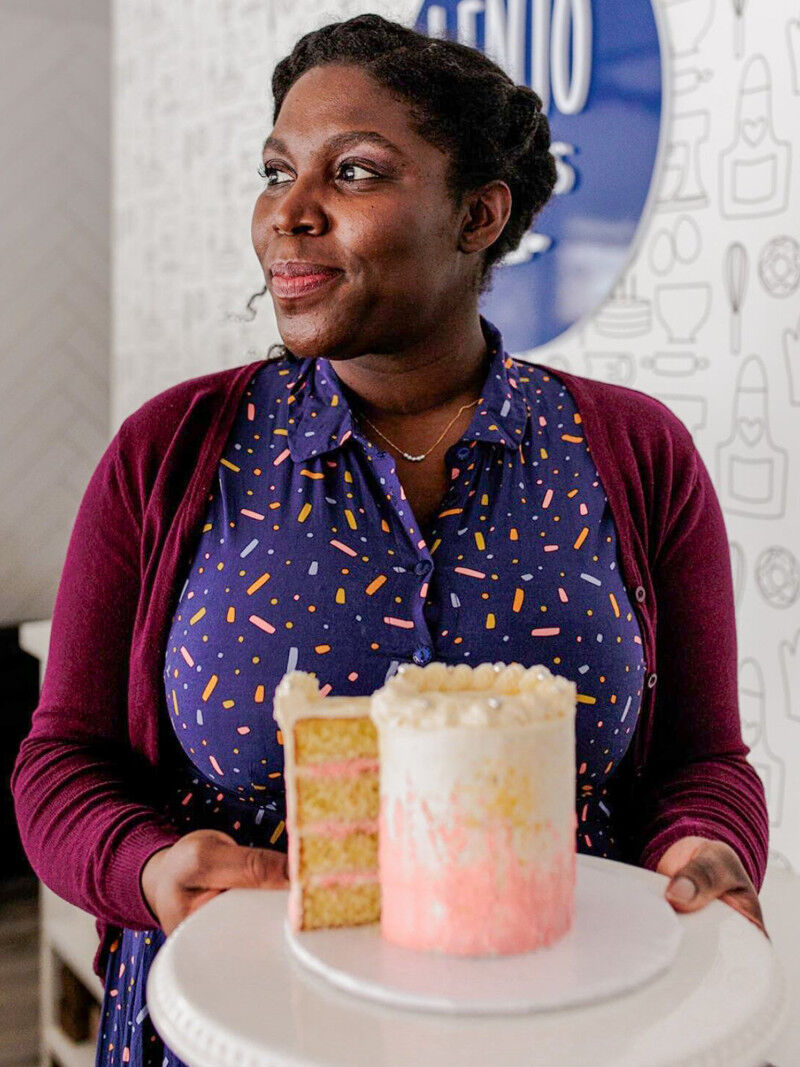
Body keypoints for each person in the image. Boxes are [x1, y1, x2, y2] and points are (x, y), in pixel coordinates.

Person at [11, 14, 769, 1067]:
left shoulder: (635, 454)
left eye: (354, 171)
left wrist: (706, 845)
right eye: (276, 172)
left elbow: (701, 761)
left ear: (478, 214)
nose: (289, 212)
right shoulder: (171, 451)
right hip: (242, 1032)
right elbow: (62, 762)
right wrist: (145, 865)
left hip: (565, 1028)